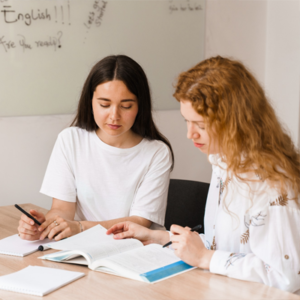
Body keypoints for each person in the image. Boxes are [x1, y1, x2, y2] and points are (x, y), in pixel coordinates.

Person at [107, 56, 300, 293]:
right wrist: (158, 237)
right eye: (187, 121)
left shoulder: (273, 184)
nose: (190, 134)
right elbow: (224, 247)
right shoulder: (223, 162)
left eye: (200, 125)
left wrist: (204, 258)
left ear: (235, 122)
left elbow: (285, 277)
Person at [18, 55, 174, 241]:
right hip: (85, 247)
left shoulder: (157, 152)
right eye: (104, 104)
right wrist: (44, 226)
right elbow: (62, 210)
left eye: (126, 106)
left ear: (140, 106)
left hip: (136, 249)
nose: (114, 116)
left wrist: (81, 227)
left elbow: (139, 222)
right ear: (90, 101)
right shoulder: (70, 140)